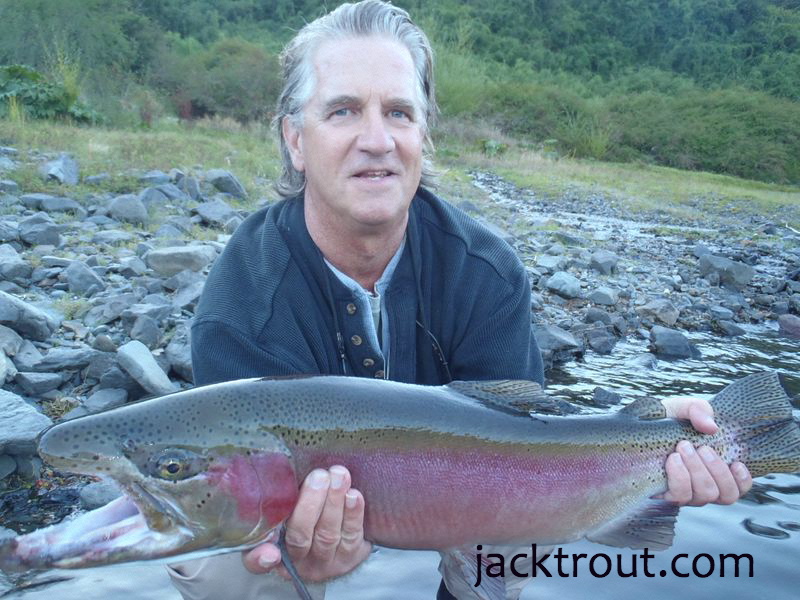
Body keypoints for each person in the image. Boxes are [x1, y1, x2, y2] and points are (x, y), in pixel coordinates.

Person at [168, 1, 753, 598]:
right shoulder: (242, 305)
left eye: (399, 113)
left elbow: (531, 434)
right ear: (295, 139)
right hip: (297, 514)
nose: (377, 140)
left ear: (422, 136)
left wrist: (653, 432)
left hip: (475, 484)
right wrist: (301, 557)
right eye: (343, 111)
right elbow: (231, 482)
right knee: (229, 565)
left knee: (520, 538)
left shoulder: (486, 271)